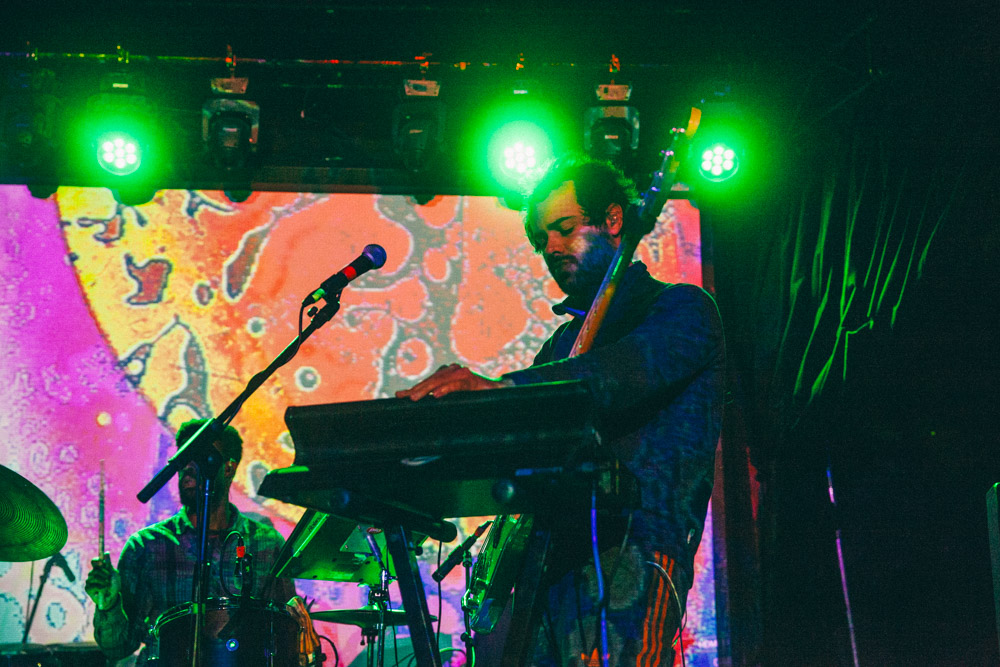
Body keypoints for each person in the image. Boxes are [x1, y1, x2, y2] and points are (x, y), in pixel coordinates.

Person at [397, 155, 725, 666]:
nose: (549, 247)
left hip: (631, 551)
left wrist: (500, 390)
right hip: (546, 564)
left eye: (564, 228)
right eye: (539, 239)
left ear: (614, 220)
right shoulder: (560, 344)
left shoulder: (682, 309)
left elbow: (617, 376)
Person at [85, 419, 299, 665]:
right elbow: (118, 647)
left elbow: (285, 632)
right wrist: (109, 605)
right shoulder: (146, 546)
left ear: (228, 468)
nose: (187, 467)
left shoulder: (266, 544)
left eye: (199, 457)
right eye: (183, 457)